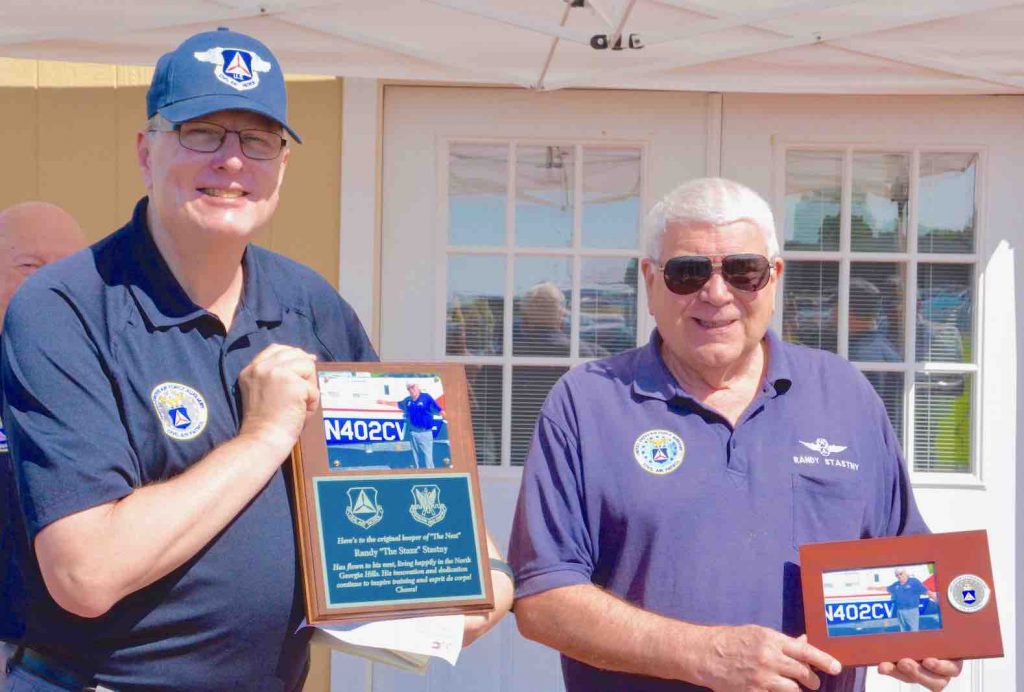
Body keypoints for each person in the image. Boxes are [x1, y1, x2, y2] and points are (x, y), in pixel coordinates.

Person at [0, 28, 511, 691]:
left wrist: (482, 571)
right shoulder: (65, 307)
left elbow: (400, 466)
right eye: (202, 132)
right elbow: (85, 572)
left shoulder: (310, 305)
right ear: (145, 150)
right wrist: (264, 436)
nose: (232, 162)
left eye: (258, 140)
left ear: (282, 166)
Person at [508, 178, 963, 691]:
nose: (717, 293)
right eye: (688, 272)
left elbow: (909, 561)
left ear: (774, 278)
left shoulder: (844, 394)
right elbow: (542, 599)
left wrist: (931, 637)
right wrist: (705, 654)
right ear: (650, 281)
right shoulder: (586, 402)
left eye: (744, 271)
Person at [0, 202, 87, 677]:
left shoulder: (110, 379)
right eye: (29, 266)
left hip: (91, 660)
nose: (49, 284)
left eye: (66, 268)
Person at [380, 382, 445, 469]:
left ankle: (430, 474)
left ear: (418, 387)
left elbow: (439, 410)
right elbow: (398, 404)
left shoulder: (426, 398)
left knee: (427, 458)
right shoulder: (408, 400)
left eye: (413, 387)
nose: (411, 390)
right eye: (409, 388)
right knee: (416, 458)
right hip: (413, 433)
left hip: (425, 433)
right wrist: (384, 402)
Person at [885, 568, 937, 632]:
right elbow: (887, 588)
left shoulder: (914, 582)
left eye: (900, 574)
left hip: (912, 610)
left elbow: (927, 591)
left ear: (905, 573)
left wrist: (937, 601)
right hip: (900, 611)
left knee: (913, 631)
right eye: (897, 575)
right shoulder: (896, 584)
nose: (899, 576)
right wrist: (872, 588)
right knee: (903, 631)